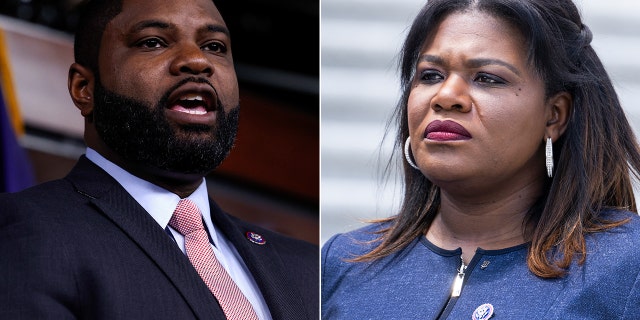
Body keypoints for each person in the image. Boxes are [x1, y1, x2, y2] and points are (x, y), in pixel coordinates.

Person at [321, 0, 640, 319]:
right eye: (430, 75)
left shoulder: (626, 265)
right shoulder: (343, 263)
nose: (446, 97)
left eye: (487, 78)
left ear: (554, 116)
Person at [0, 0, 318, 319]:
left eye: (214, 46)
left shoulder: (310, 267)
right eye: (152, 42)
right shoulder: (27, 228)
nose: (197, 61)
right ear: (84, 89)